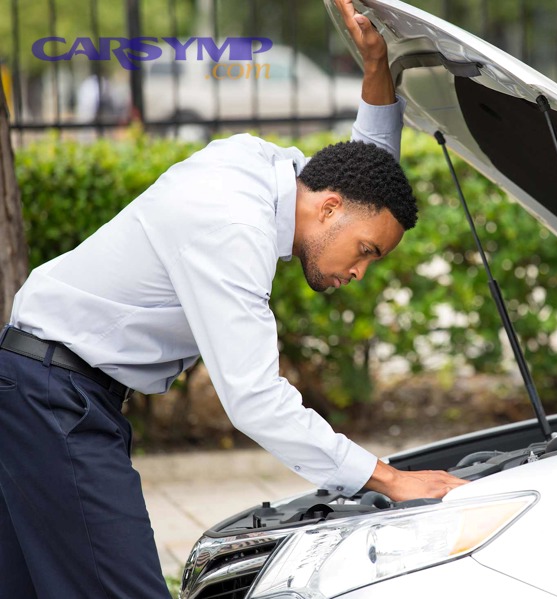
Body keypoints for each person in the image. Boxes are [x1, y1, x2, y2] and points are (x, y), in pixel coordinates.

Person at [0, 1, 467, 597]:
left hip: (39, 388)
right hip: (52, 402)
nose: (359, 271)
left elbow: (363, 179)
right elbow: (253, 399)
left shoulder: (272, 174)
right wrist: (388, 478)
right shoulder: (230, 226)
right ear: (327, 210)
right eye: (367, 251)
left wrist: (377, 70)